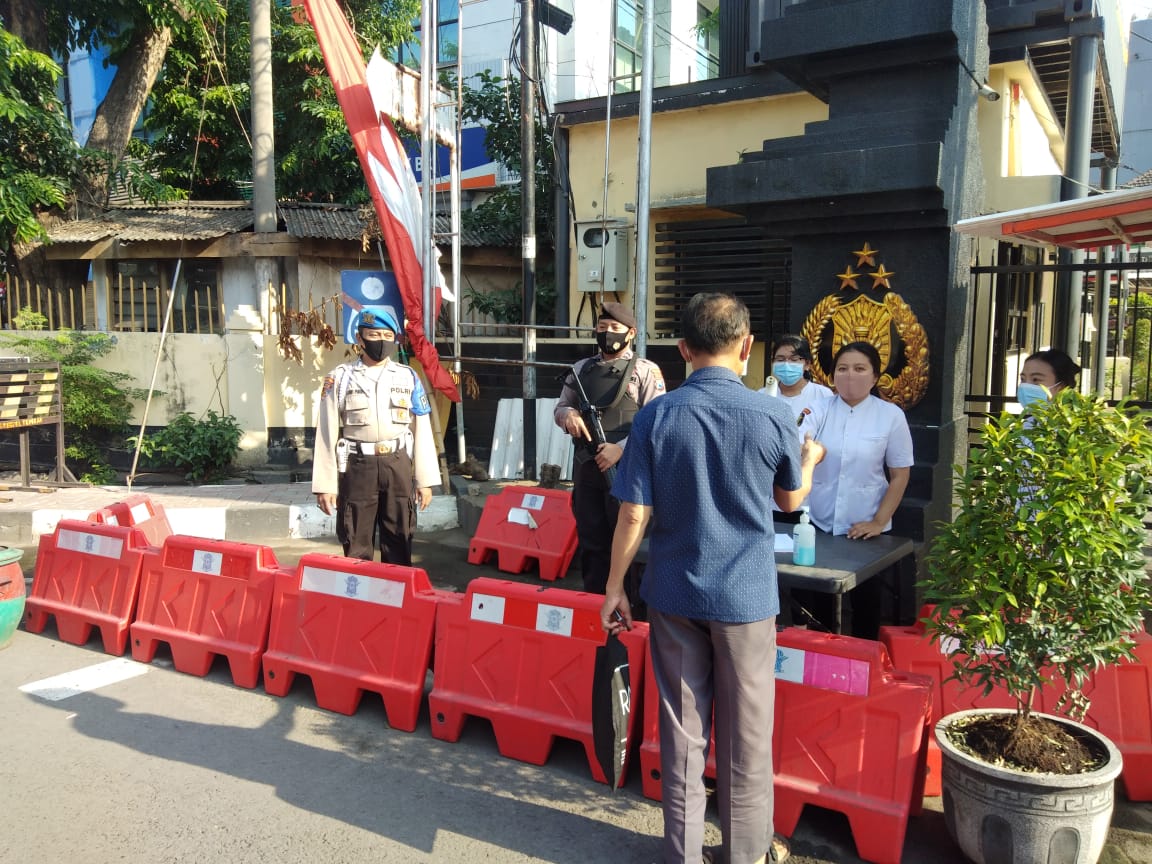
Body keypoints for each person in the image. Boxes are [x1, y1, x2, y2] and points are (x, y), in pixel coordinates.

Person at [601, 293, 824, 864]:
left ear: (683, 349)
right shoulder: (772, 414)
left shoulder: (657, 416)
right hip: (746, 598)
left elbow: (633, 513)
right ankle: (746, 855)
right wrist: (811, 462)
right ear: (747, 346)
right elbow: (789, 499)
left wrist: (615, 586)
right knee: (747, 737)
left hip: (674, 592)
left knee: (682, 734)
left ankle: (683, 855)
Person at [312, 305, 440, 565]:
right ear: (360, 338)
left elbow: (422, 429)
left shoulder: (408, 377)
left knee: (400, 537)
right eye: (374, 335)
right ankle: (359, 590)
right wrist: (325, 486)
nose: (381, 341)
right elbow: (326, 432)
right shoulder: (340, 378)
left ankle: (397, 590)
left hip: (397, 464)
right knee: (356, 540)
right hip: (358, 466)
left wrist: (425, 480)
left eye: (387, 336)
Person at [554, 301, 666, 595]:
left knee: (629, 542)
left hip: (627, 472)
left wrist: (621, 449)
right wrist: (568, 415)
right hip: (587, 469)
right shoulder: (581, 369)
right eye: (602, 327)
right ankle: (593, 601)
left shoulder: (645, 371)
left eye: (615, 328)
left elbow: (657, 423)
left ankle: (629, 603)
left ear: (631, 333)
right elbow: (561, 406)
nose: (607, 333)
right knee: (591, 541)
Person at [807, 341, 913, 638]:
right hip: (820, 524)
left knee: (866, 606)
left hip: (866, 530)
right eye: (842, 369)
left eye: (859, 369)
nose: (850, 376)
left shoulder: (891, 415)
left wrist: (878, 521)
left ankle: (863, 659)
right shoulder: (818, 409)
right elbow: (803, 443)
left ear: (875, 376)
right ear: (832, 376)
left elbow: (900, 475)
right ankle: (824, 660)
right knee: (820, 609)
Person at [761, 333, 832, 519]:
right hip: (768, 496)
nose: (786, 365)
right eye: (780, 359)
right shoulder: (761, 396)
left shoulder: (823, 396)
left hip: (809, 498)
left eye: (794, 360)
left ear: (807, 364)